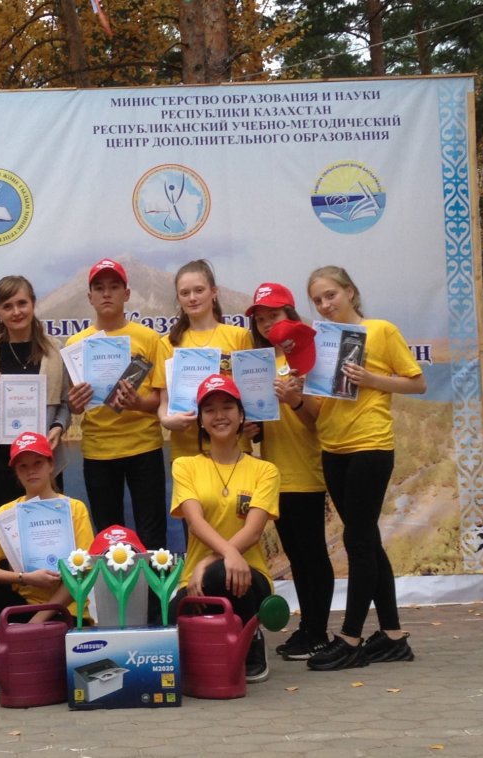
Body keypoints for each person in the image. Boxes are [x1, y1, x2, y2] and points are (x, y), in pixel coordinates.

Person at [301, 265, 426, 671]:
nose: (325, 304)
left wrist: (371, 378)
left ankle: (351, 638)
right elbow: (319, 407)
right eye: (317, 300)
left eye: (331, 295)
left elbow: (417, 382)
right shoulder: (320, 342)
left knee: (357, 541)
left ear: (350, 292)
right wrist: (297, 395)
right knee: (367, 539)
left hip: (370, 445)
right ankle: (393, 636)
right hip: (332, 447)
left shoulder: (381, 330)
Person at [0, 431, 95, 694]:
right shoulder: (7, 513)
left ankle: (20, 656)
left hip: (66, 612)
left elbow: (82, 573)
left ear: (51, 465)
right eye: (23, 466)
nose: (31, 471)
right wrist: (24, 578)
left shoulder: (74, 508)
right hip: (23, 607)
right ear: (16, 472)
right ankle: (11, 660)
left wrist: (35, 623)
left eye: (38, 463)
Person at [169, 374, 280, 683]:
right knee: (170, 617)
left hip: (250, 575)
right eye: (210, 410)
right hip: (195, 580)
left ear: (241, 415)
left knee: (222, 573)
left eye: (227, 407)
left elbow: (253, 532)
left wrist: (210, 560)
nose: (219, 416)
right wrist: (212, 561)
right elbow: (195, 523)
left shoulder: (265, 470)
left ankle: (250, 638)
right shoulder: (185, 466)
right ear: (201, 421)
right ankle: (219, 644)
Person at [245, 282, 332, 660]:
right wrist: (254, 428)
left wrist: (295, 399)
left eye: (274, 315)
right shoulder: (261, 361)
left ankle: (319, 632)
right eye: (261, 319)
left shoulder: (308, 356)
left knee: (312, 554)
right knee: (297, 555)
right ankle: (308, 627)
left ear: (291, 315)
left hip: (306, 470)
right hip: (275, 472)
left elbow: (319, 420)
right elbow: (270, 420)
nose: (268, 324)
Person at [65, 259, 166, 549]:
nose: (106, 293)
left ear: (127, 294)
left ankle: (154, 582)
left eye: (114, 287)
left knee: (152, 535)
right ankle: (114, 582)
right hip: (99, 450)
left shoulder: (149, 338)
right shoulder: (76, 343)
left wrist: (138, 403)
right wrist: (74, 404)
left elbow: (160, 399)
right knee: (108, 537)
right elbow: (74, 404)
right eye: (99, 288)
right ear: (90, 297)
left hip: (144, 446)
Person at [0, 275, 71, 509]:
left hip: (43, 458)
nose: (16, 312)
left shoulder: (55, 350)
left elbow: (66, 402)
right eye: (7, 306)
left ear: (33, 303)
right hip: (0, 461)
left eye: (22, 303)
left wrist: (58, 427)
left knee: (46, 524)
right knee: (7, 526)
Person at [152, 259, 253, 463]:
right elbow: (164, 402)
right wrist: (167, 420)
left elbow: (250, 392)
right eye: (185, 293)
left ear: (213, 292)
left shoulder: (239, 336)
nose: (192, 298)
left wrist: (252, 420)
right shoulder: (167, 344)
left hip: (234, 447)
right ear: (178, 298)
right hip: (186, 451)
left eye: (199, 290)